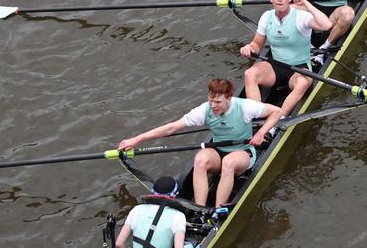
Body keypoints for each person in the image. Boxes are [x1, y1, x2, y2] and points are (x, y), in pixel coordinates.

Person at [117, 77, 284, 208]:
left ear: (228, 98)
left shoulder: (245, 106)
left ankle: (218, 209)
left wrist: (261, 133)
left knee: (228, 163)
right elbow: (171, 128)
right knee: (200, 159)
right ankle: (200, 208)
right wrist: (137, 138)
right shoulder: (205, 110)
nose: (213, 106)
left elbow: (276, 112)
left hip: (243, 153)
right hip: (218, 151)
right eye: (211, 101)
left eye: (218, 102)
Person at [241, 0, 331, 117]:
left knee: (303, 82)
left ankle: (278, 119)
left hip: (298, 68)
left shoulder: (301, 16)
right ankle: (256, 115)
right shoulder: (266, 17)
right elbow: (257, 44)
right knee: (249, 74)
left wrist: (306, 4)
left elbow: (326, 25)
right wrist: (249, 47)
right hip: (275, 66)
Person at [115, 175, 195, 248]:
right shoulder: (178, 216)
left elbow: (119, 244)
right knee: (190, 246)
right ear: (175, 195)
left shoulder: (136, 210)